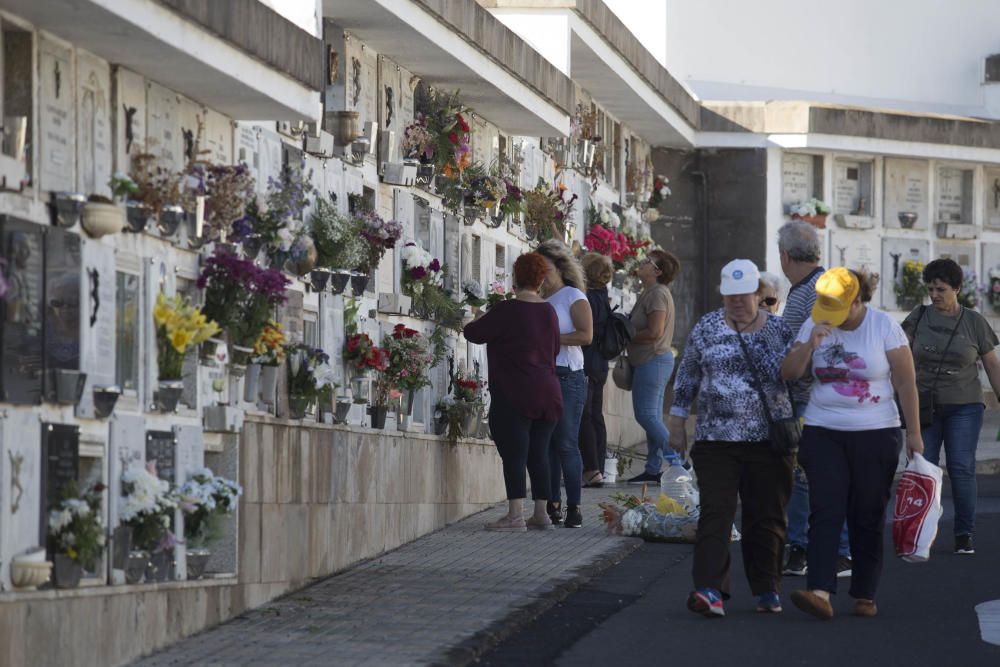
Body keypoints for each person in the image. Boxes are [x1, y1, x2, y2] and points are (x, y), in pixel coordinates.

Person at [780, 268, 922, 620]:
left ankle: (864, 592)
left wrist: (915, 434)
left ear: (858, 301)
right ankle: (820, 591)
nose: (834, 319)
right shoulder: (815, 322)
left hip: (876, 432)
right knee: (826, 510)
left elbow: (905, 382)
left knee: (867, 513)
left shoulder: (883, 327)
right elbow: (789, 373)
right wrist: (810, 344)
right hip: (823, 428)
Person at [669, 259, 795, 617]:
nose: (737, 303)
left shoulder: (778, 329)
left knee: (766, 517)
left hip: (768, 442)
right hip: (715, 439)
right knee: (716, 513)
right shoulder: (707, 327)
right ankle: (709, 589)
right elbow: (688, 374)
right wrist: (677, 422)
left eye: (743, 296)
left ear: (758, 294)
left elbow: (796, 376)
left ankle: (767, 588)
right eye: (729, 297)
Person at [902, 258, 1000, 555]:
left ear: (957, 289)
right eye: (930, 288)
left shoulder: (974, 322)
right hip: (926, 404)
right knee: (923, 467)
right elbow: (900, 356)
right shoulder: (918, 318)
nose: (934, 295)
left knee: (960, 466)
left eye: (941, 289)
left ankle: (964, 533)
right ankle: (919, 533)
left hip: (965, 405)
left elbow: (992, 364)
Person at [464, 253, 563, 532]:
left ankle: (515, 516)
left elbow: (474, 334)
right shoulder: (549, 312)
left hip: (515, 391)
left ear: (515, 278)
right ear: (541, 280)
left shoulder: (506, 310)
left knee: (515, 453)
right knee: (539, 454)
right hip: (548, 391)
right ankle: (542, 514)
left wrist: (474, 319)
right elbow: (554, 349)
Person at [776, 221, 852, 578]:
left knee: (811, 477)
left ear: (785, 255)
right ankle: (805, 546)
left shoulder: (816, 289)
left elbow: (815, 342)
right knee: (804, 476)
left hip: (813, 395)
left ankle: (829, 550)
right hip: (804, 395)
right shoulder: (806, 287)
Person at [536, 240, 592, 529]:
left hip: (569, 375)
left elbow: (586, 335)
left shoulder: (573, 296)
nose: (541, 274)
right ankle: (551, 503)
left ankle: (575, 507)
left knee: (567, 443)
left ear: (559, 266)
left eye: (545, 268)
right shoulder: (540, 300)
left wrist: (552, 340)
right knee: (547, 445)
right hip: (545, 375)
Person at [626, 249, 683, 484]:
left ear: (657, 271)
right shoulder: (651, 292)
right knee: (654, 417)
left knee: (646, 415)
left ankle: (679, 462)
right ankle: (653, 468)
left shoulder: (657, 294)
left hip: (653, 359)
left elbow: (655, 332)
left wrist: (625, 337)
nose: (641, 263)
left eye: (647, 262)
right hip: (652, 360)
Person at [579, 252, 613, 487]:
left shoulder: (588, 297)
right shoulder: (603, 295)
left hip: (588, 361)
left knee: (585, 416)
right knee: (596, 416)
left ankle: (591, 470)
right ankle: (598, 467)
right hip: (600, 363)